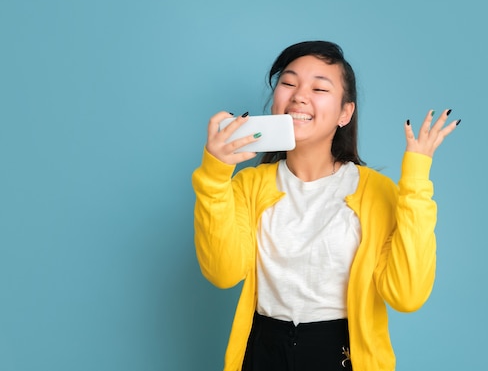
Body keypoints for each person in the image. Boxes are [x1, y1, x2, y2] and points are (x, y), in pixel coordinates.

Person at [192, 41, 460, 371]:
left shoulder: (375, 192)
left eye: (319, 88)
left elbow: (407, 295)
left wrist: (417, 180)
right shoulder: (248, 186)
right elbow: (223, 273)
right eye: (288, 83)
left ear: (345, 113)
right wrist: (214, 176)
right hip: (262, 351)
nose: (299, 96)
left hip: (341, 353)